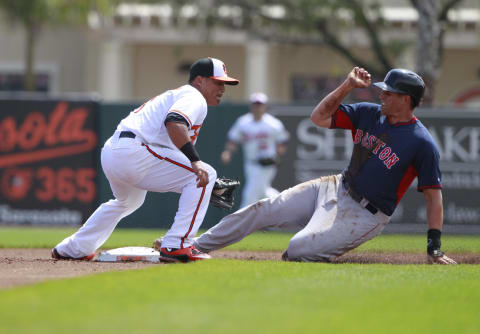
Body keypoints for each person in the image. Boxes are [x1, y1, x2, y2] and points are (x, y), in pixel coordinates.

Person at [192, 67, 457, 265]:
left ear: (406, 99)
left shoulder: (421, 143)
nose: (382, 94)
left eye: (389, 92)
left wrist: (434, 246)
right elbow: (319, 117)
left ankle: (318, 247)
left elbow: (434, 197)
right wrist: (346, 86)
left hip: (365, 214)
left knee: (297, 250)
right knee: (262, 208)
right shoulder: (369, 113)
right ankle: (192, 246)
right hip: (334, 187)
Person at [52, 57, 239, 263]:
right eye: (218, 82)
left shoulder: (179, 95)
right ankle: (177, 244)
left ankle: (73, 248)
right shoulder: (194, 97)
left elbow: (171, 138)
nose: (222, 88)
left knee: (128, 201)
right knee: (206, 174)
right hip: (136, 152)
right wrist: (195, 163)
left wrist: (198, 180)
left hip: (115, 151)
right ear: (199, 80)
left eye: (225, 84)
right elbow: (175, 122)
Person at [220, 92, 289, 207]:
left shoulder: (273, 123)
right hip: (250, 162)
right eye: (255, 104)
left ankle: (242, 219)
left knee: (250, 194)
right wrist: (227, 152)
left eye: (260, 104)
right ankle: (284, 204)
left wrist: (278, 156)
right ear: (251, 106)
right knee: (263, 191)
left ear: (265, 106)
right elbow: (233, 140)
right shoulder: (243, 122)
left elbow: (282, 141)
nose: (258, 107)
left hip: (267, 162)